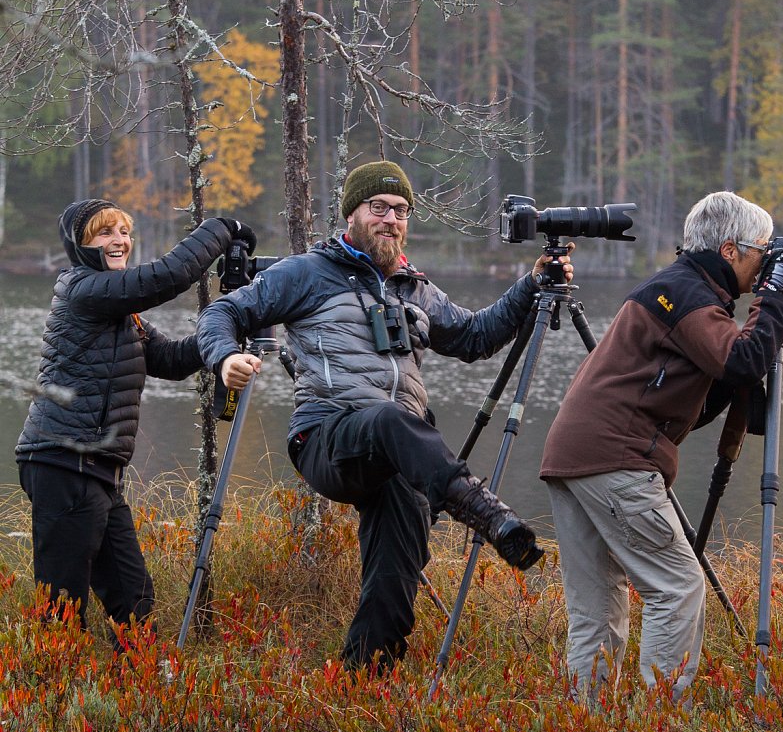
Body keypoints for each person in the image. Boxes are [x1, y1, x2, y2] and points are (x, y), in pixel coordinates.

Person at [195, 160, 570, 670]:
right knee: (390, 418)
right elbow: (223, 313)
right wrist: (225, 357)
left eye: (401, 211)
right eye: (379, 208)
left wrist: (530, 287)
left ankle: (363, 686)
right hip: (328, 437)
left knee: (394, 585)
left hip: (397, 459)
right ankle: (488, 516)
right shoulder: (308, 272)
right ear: (352, 213)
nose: (391, 219)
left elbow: (476, 337)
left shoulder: (413, 287)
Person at [539, 190, 783, 705]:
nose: (766, 261)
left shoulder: (678, 289)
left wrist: (740, 359)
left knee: (597, 609)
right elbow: (745, 361)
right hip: (614, 458)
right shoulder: (689, 296)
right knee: (678, 588)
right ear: (730, 250)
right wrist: (773, 297)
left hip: (573, 458)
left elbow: (694, 402)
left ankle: (583, 731)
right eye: (762, 251)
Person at [16, 198, 254, 640]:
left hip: (98, 470)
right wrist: (224, 228)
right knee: (62, 609)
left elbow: (174, 358)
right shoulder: (82, 289)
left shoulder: (123, 316)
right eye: (106, 233)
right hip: (63, 462)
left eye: (124, 232)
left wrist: (232, 325)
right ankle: (44, 697)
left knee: (133, 599)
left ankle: (137, 699)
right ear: (82, 245)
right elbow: (167, 277)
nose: (120, 241)